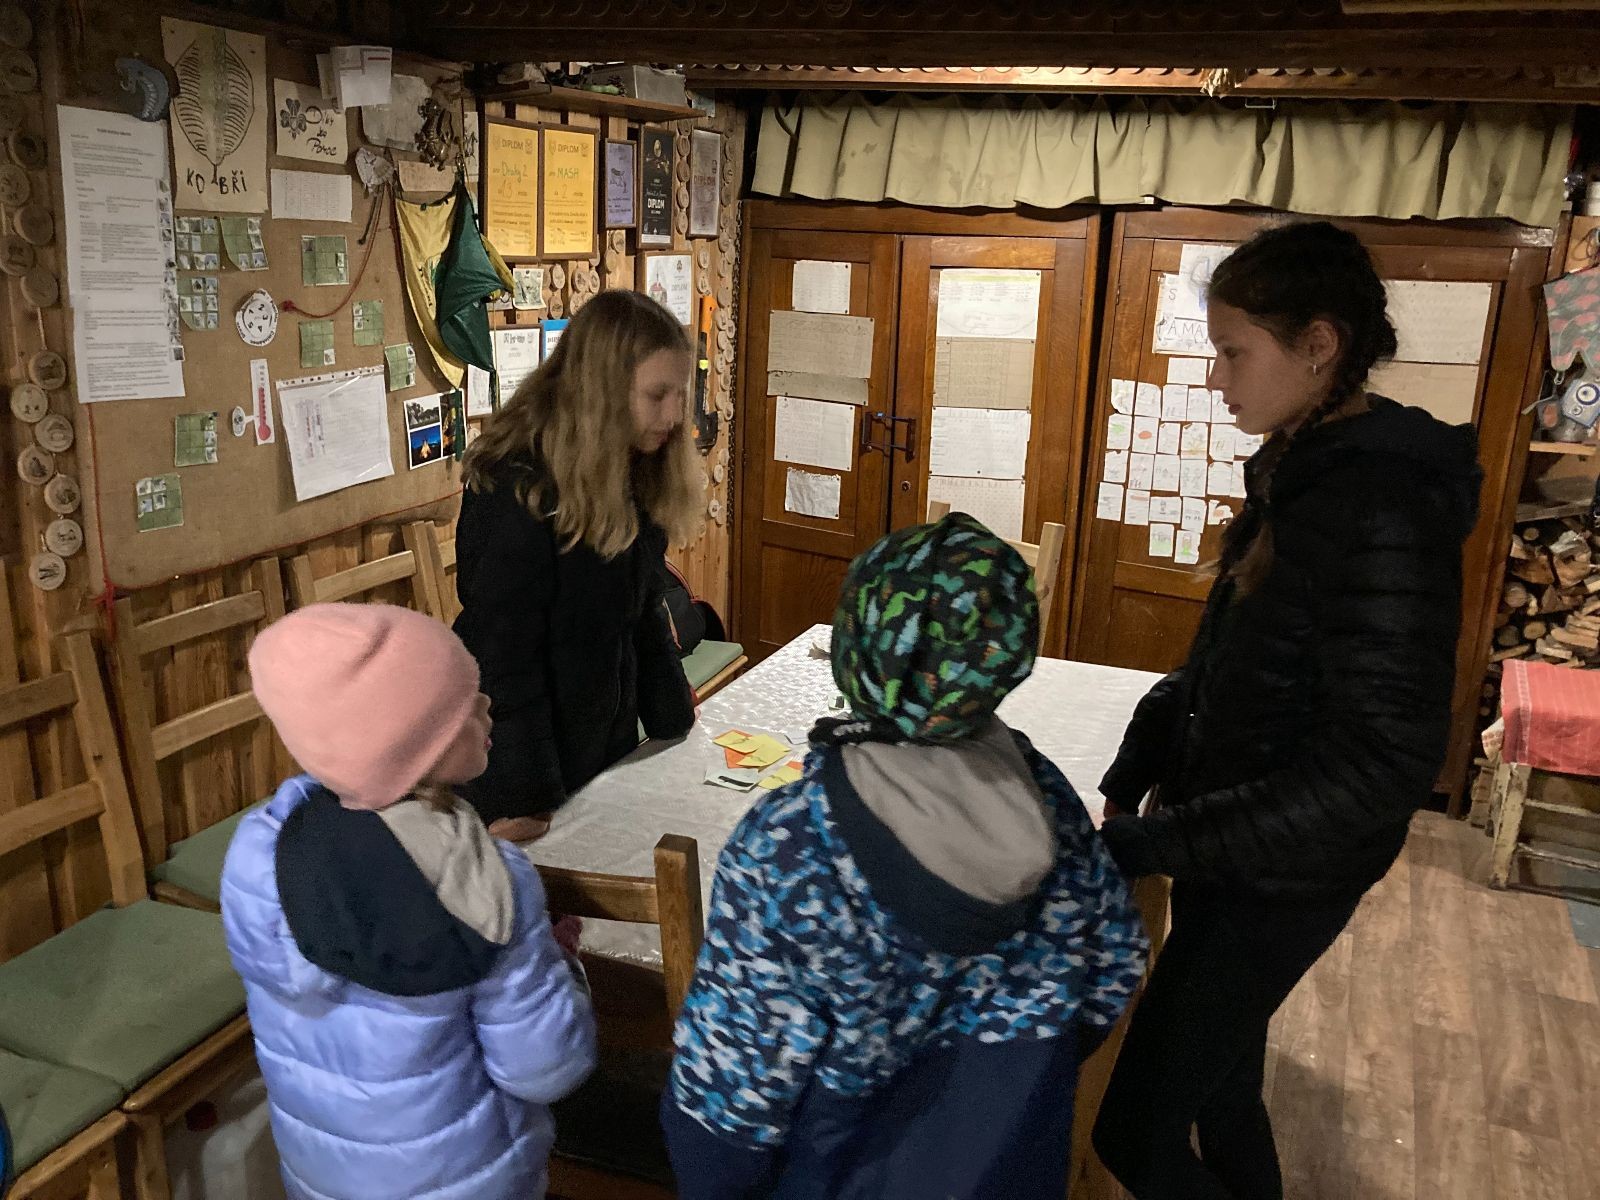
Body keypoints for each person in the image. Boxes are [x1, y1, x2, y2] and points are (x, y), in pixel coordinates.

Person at [1091, 221, 1483, 1200]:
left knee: (1131, 1134)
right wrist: (1140, 763)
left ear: (1317, 346)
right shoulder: (1304, 467)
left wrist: (1163, 841)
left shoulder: (1380, 503)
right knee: (1222, 1093)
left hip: (1281, 876)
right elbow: (1238, 665)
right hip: (1242, 850)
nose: (1217, 377)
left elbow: (1381, 762)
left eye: (1234, 353)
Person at [663, 513, 1149, 1200]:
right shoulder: (1047, 796)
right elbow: (1116, 966)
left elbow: (727, 1106)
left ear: (854, 648)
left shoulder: (792, 843)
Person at [221, 603, 597, 1200]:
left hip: (326, 1176)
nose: (487, 705)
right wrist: (565, 967)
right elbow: (544, 1068)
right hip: (470, 1181)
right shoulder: (490, 880)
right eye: (462, 703)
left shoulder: (257, 851)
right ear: (414, 742)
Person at [454, 288, 701, 842]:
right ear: (602, 392)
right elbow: (502, 656)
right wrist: (527, 796)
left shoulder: (631, 463)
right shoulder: (517, 485)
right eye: (656, 395)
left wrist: (672, 717)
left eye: (679, 394)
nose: (673, 415)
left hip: (597, 733)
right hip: (519, 756)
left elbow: (640, 609)